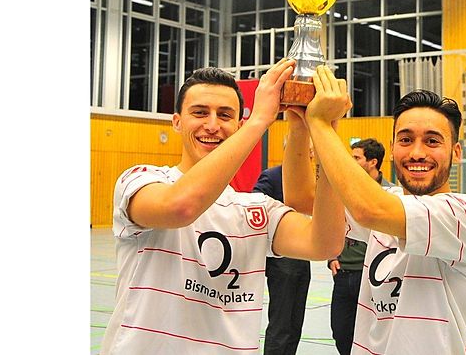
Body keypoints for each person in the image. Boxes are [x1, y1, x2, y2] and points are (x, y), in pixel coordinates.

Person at [99, 61, 346, 355]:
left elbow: (326, 243)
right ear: (176, 122)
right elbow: (180, 207)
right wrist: (259, 122)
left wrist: (320, 131)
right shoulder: (141, 179)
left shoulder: (255, 209)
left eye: (225, 115)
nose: (213, 125)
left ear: (237, 126)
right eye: (200, 112)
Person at [303, 66, 466, 355]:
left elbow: (369, 209)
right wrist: (301, 125)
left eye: (432, 141)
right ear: (392, 149)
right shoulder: (386, 200)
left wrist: (319, 123)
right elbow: (303, 199)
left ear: (456, 152)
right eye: (406, 140)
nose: (417, 152)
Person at [327, 138, 391, 355]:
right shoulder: (345, 192)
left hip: (375, 277)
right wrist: (332, 256)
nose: (350, 161)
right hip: (345, 274)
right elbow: (334, 223)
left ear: (372, 162)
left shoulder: (392, 195)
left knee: (376, 332)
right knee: (341, 331)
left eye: (356, 158)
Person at [252, 140, 315, 355]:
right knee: (281, 322)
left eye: (309, 152)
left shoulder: (310, 179)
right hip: (281, 257)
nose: (307, 156)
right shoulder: (272, 176)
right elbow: (255, 204)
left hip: (303, 255)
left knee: (295, 321)